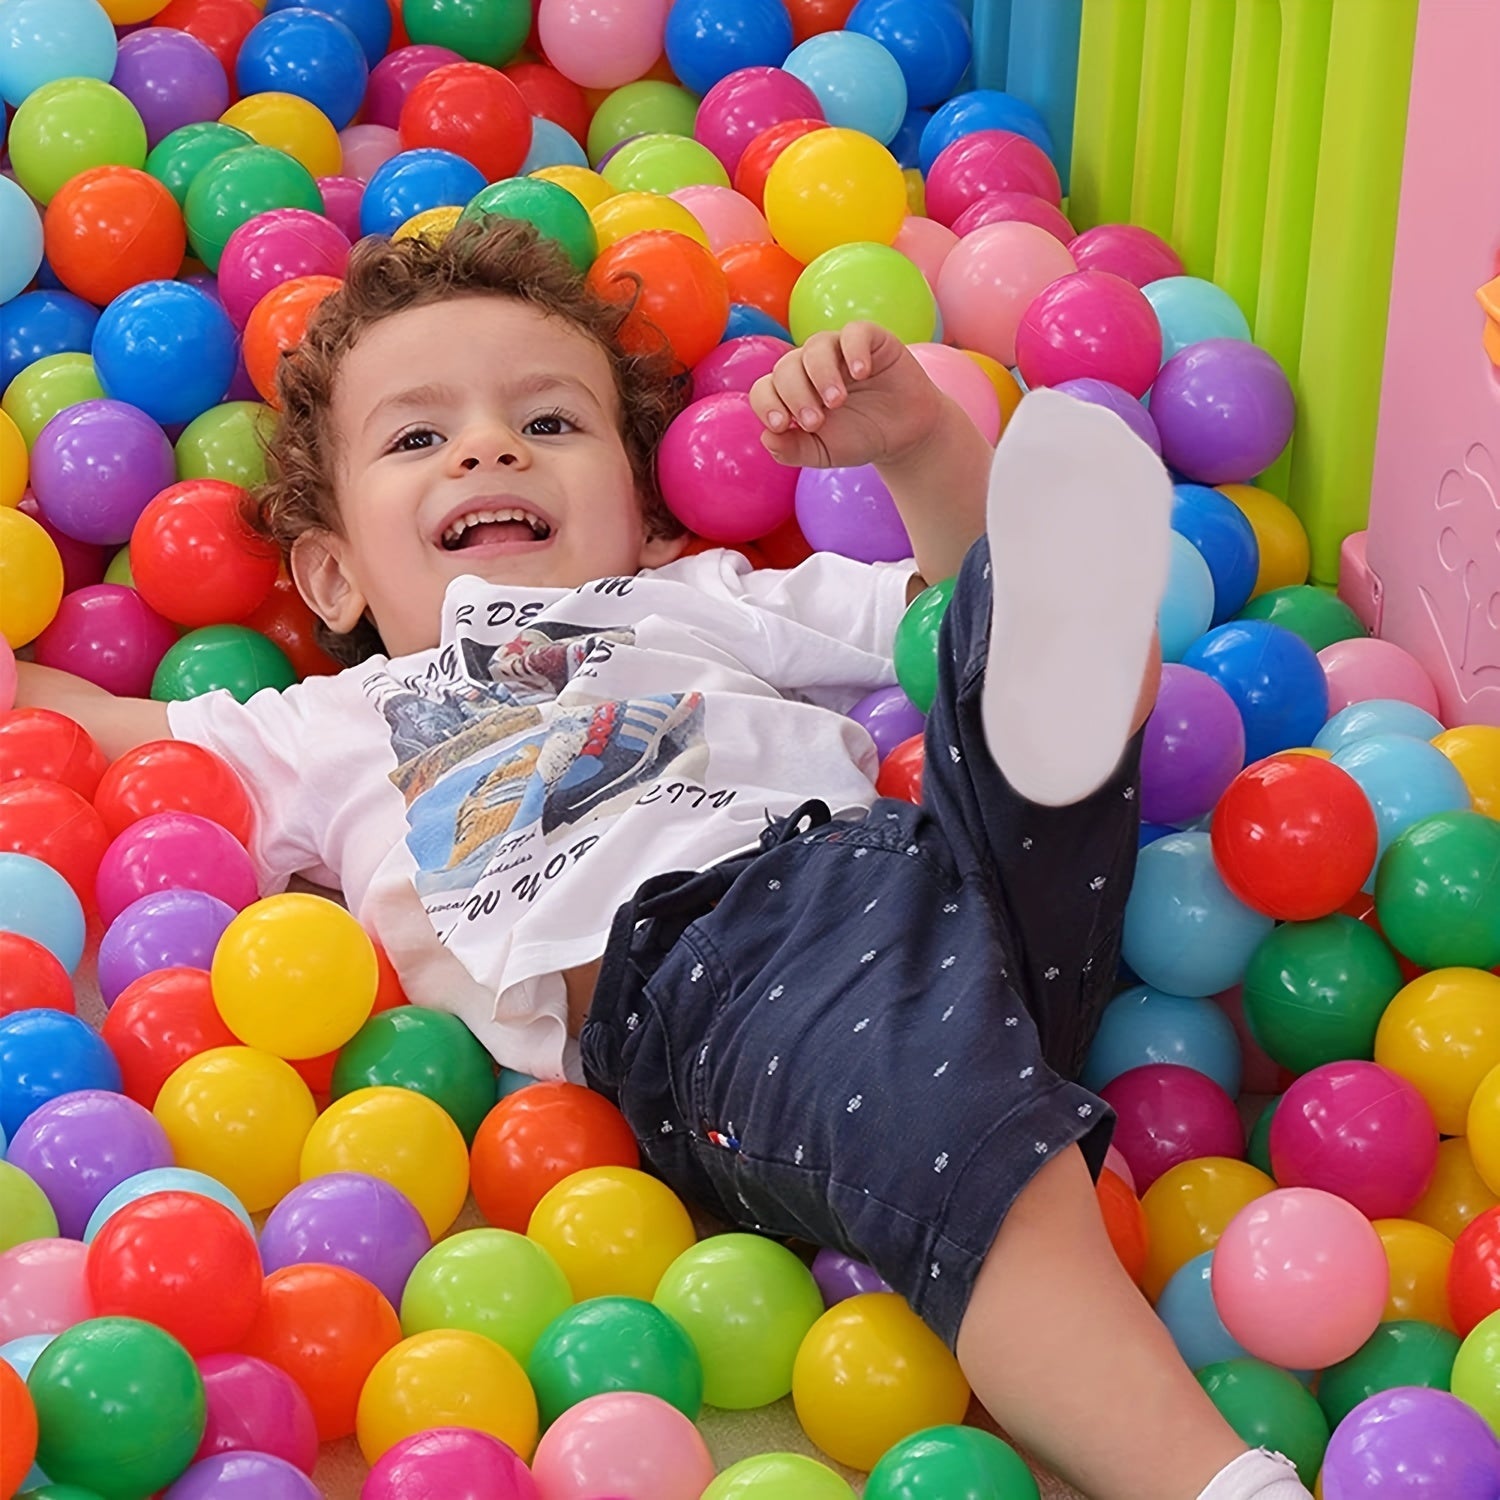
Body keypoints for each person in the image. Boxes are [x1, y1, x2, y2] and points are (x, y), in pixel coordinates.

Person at [18, 219, 1311, 1500]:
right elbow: (94, 730)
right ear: (335, 573)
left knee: (991, 673)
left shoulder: (703, 596)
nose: (489, 445)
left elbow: (918, 602)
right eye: (419, 437)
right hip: (707, 973)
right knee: (967, 1146)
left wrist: (923, 450)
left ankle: (1058, 673)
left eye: (552, 423)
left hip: (918, 873)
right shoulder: (336, 724)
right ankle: (1205, 1477)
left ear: (639, 517)